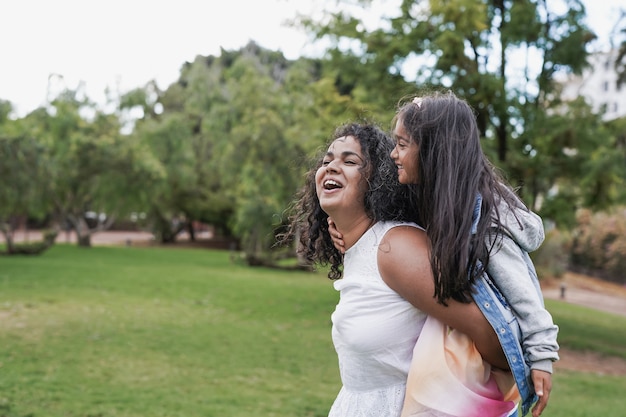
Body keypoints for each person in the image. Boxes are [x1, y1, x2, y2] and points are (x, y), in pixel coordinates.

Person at [329, 91, 559, 417]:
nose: (393, 154)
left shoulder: (488, 223)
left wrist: (541, 355)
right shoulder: (435, 202)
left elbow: (524, 293)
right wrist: (341, 226)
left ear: (434, 151)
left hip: (472, 374)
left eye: (403, 144)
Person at [282, 122, 518, 417]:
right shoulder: (363, 247)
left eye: (350, 161)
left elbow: (495, 337)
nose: (330, 167)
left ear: (376, 179)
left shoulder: (394, 247)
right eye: (327, 160)